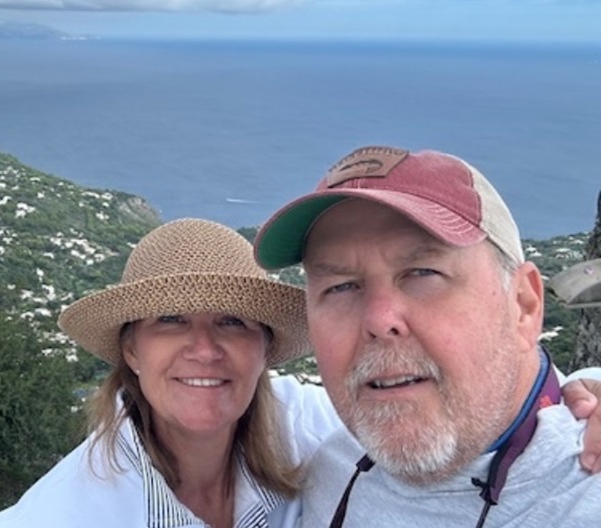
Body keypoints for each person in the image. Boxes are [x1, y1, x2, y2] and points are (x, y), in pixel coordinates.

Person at [253, 146, 601, 527]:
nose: (380, 319)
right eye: (340, 287)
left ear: (524, 305)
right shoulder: (325, 463)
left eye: (422, 273)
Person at [0, 218, 342, 528]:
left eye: (232, 321)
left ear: (265, 349)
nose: (204, 349)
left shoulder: (306, 425)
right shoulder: (60, 516)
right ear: (132, 350)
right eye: (171, 319)